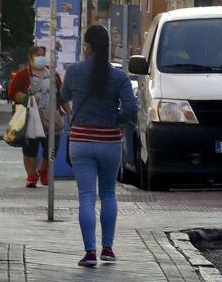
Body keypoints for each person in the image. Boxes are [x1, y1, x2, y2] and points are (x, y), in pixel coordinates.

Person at [61, 25, 138, 268]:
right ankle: (108, 249)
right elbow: (132, 110)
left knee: (86, 196)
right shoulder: (119, 76)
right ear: (108, 47)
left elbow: (62, 96)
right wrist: (116, 120)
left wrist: (72, 115)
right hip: (109, 142)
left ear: (87, 46)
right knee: (108, 194)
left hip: (81, 141)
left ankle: (89, 252)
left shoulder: (74, 71)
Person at [8, 45, 68, 188]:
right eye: (38, 55)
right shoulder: (23, 75)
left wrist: (70, 113)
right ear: (31, 57)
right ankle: (31, 175)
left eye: (43, 55)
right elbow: (12, 93)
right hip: (31, 117)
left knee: (52, 148)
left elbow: (62, 96)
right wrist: (27, 97)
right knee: (30, 149)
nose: (41, 58)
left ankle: (44, 169)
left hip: (51, 116)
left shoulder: (53, 75)